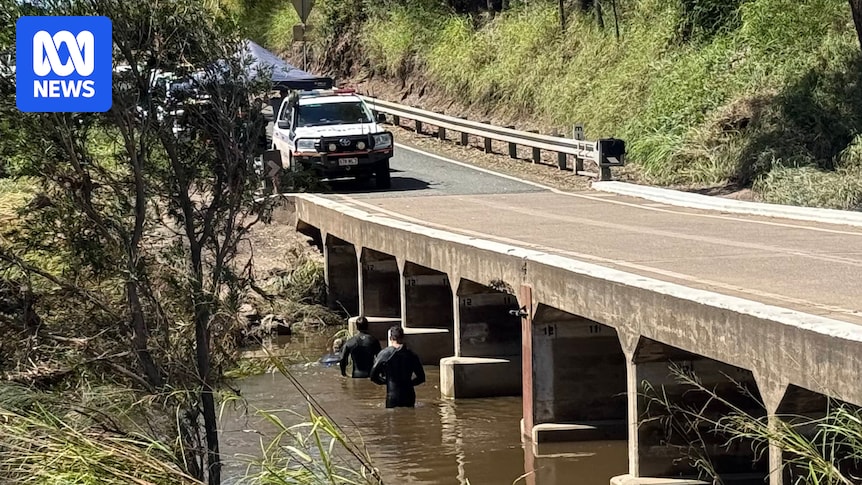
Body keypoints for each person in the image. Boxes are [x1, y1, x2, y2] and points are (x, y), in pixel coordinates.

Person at [370, 326, 425, 408]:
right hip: (409, 395)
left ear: (390, 338)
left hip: (393, 395)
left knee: (392, 418)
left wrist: (385, 381)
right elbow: (421, 378)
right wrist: (409, 384)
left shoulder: (384, 354)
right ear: (403, 337)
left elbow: (373, 376)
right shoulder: (411, 355)